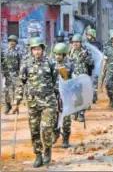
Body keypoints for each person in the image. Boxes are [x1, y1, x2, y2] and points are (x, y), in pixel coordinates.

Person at [12, 37, 58, 167]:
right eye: (34, 49)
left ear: (43, 49)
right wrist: (16, 102)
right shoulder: (26, 64)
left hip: (49, 101)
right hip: (33, 103)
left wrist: (57, 97)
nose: (37, 52)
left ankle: (47, 150)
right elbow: (21, 83)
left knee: (47, 128)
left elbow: (56, 81)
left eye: (39, 49)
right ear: (31, 50)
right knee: (34, 130)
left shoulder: (51, 62)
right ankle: (38, 154)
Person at [52, 43, 74, 148]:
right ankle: (55, 134)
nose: (58, 56)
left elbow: (68, 78)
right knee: (53, 117)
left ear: (64, 55)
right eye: (56, 54)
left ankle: (65, 139)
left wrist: (61, 70)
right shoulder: (51, 64)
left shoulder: (69, 65)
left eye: (60, 54)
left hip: (65, 95)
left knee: (65, 118)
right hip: (53, 95)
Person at [68, 33, 93, 122]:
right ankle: (75, 112)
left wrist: (85, 57)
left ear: (81, 42)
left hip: (82, 76)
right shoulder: (70, 52)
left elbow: (90, 63)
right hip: (73, 77)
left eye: (77, 42)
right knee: (74, 95)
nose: (75, 44)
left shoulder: (85, 51)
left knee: (81, 95)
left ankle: (81, 113)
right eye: (74, 42)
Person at [1, 35, 22, 114]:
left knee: (16, 91)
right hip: (6, 74)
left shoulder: (19, 52)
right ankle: (8, 105)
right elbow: (2, 62)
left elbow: (21, 62)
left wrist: (20, 72)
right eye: (10, 41)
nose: (11, 43)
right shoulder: (4, 51)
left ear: (16, 42)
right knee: (6, 90)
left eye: (13, 41)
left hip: (16, 74)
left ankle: (16, 106)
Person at [85, 28, 103, 104]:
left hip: (96, 65)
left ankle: (94, 96)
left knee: (94, 81)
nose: (87, 36)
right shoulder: (85, 44)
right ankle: (88, 96)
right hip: (88, 65)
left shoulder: (98, 44)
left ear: (93, 35)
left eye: (89, 35)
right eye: (87, 35)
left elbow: (101, 55)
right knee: (88, 81)